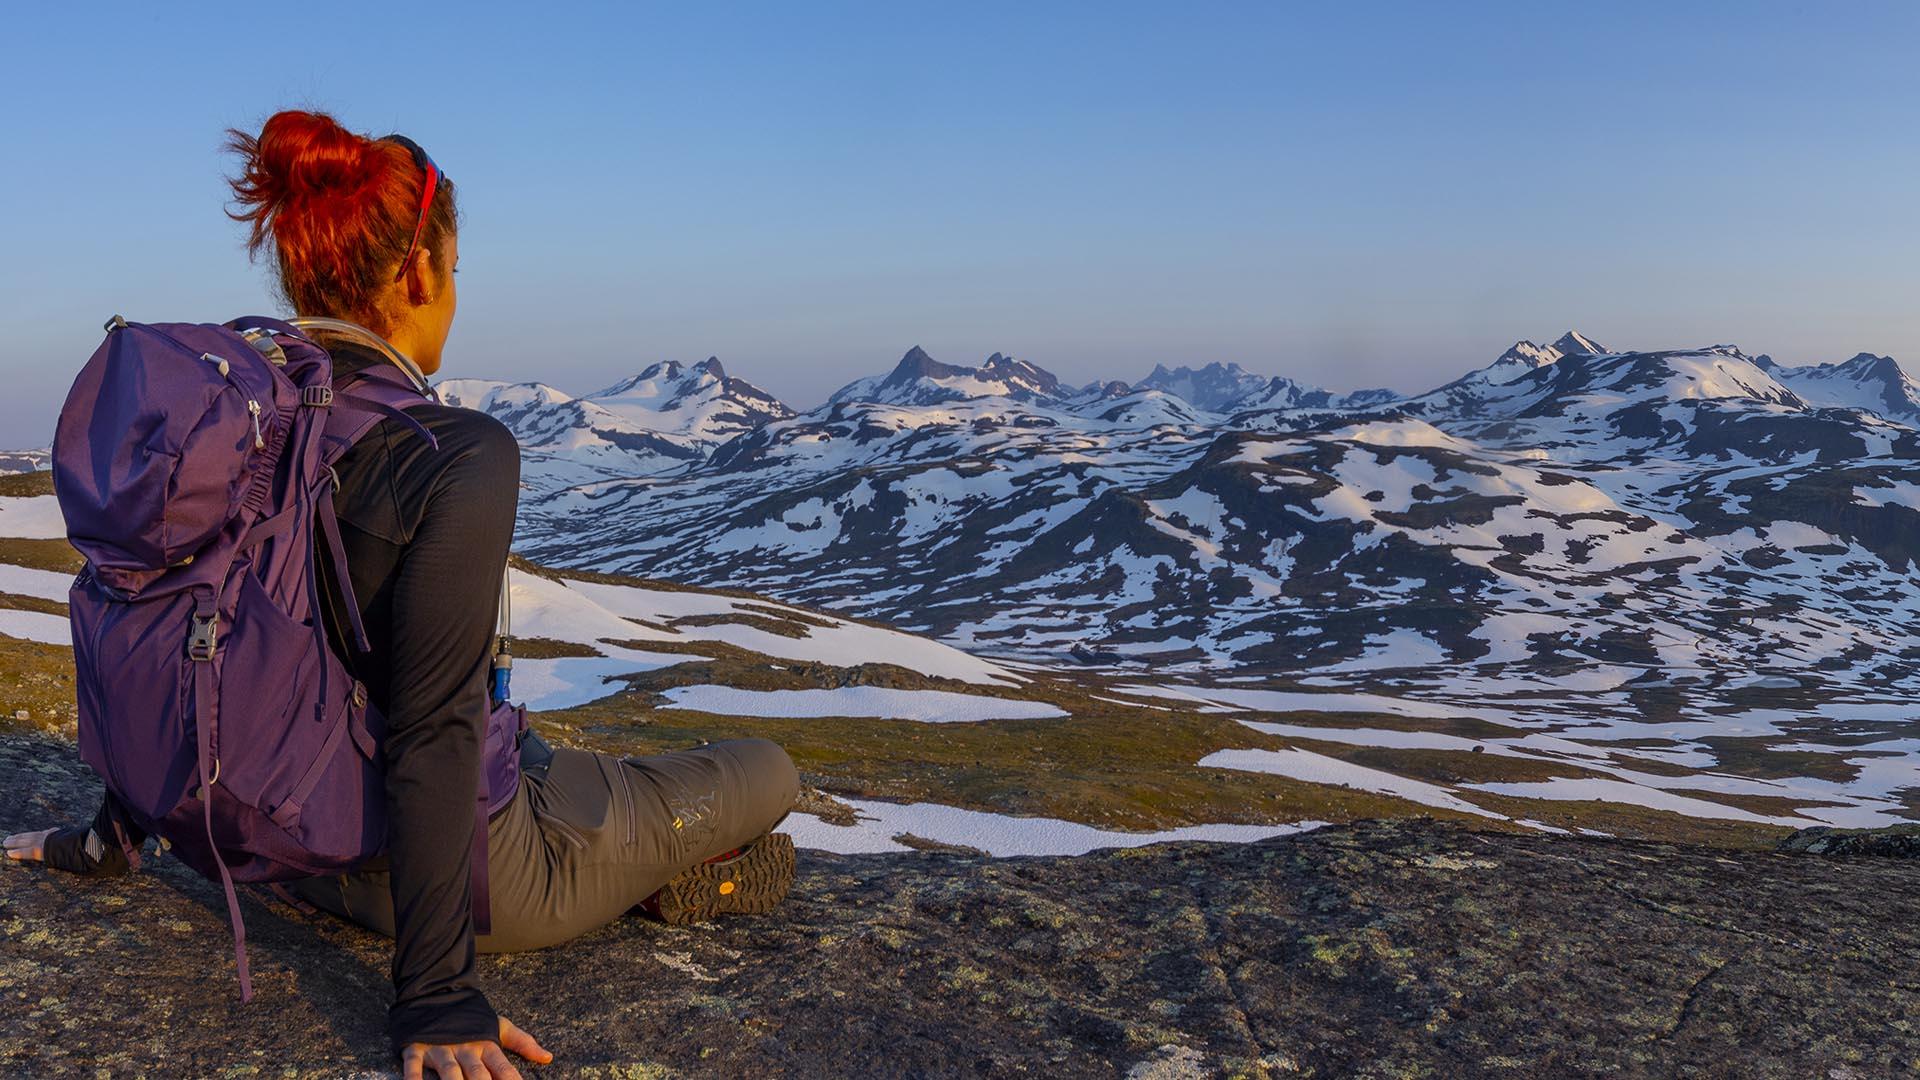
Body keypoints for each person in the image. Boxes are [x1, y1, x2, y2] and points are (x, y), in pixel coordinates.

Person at [1, 109, 801, 1080]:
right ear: (420, 272)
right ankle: (659, 881)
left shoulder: (235, 420)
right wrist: (437, 994)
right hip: (457, 882)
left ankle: (598, 821)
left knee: (551, 754)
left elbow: (181, 624)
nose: (453, 293)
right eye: (456, 272)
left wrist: (108, 839)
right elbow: (432, 728)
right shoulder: (453, 451)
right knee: (769, 771)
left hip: (255, 847)